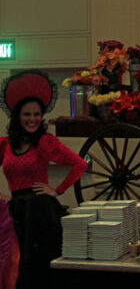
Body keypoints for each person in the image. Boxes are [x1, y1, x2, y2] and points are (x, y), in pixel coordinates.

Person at [0, 69, 88, 289]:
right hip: (16, 211)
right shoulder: (5, 144)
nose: (33, 119)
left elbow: (80, 164)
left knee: (36, 266)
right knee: (15, 265)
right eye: (27, 115)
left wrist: (57, 190)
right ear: (17, 117)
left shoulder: (45, 142)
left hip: (40, 212)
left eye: (37, 114)